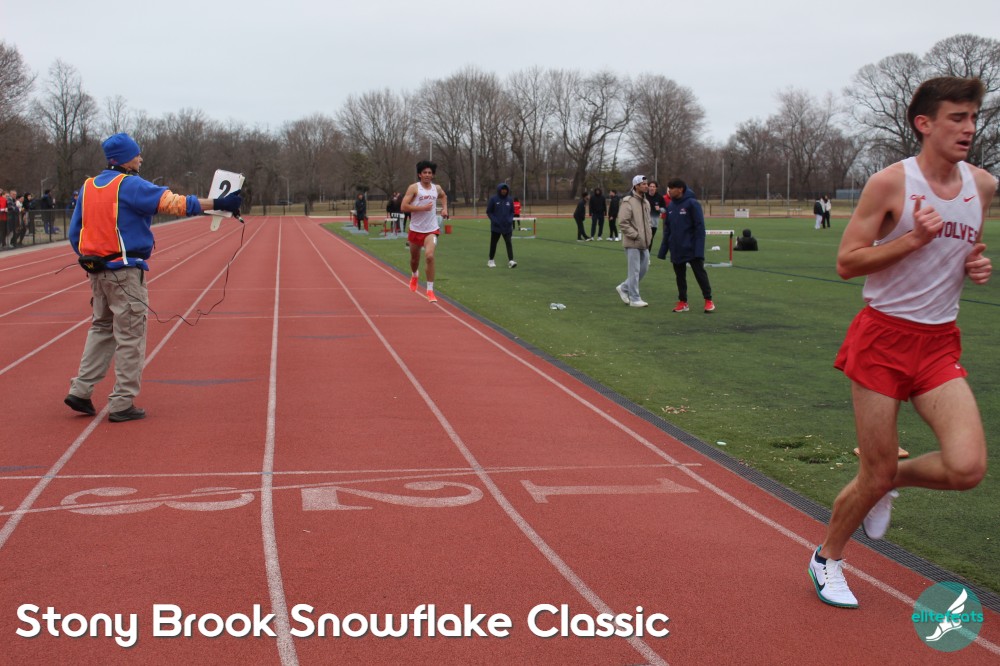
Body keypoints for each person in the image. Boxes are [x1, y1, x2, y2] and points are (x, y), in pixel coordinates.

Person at [808, 77, 995, 609]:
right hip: (883, 339)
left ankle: (893, 480)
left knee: (967, 468)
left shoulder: (982, 185)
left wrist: (975, 264)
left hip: (938, 344)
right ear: (924, 124)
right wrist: (914, 238)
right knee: (875, 470)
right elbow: (847, 263)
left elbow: (964, 250)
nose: (969, 128)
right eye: (957, 117)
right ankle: (827, 557)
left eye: (973, 117)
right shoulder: (891, 183)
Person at [64, 132, 242, 423]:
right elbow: (174, 204)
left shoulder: (89, 186)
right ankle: (122, 401)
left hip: (97, 272)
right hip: (124, 272)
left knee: (101, 330)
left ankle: (81, 389)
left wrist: (92, 258)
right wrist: (218, 203)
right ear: (126, 159)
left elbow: (75, 233)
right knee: (131, 336)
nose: (140, 158)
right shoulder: (130, 185)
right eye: (137, 154)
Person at [657, 179, 715, 313]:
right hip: (676, 248)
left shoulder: (692, 204)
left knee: (699, 274)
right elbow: (668, 230)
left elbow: (699, 228)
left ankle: (708, 300)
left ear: (680, 189)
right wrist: (663, 250)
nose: (669, 191)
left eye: (672, 188)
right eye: (668, 188)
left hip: (692, 247)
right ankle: (683, 302)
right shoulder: (671, 206)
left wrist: (699, 249)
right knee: (680, 276)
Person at [401, 159, 448, 303]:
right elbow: (404, 207)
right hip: (416, 230)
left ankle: (430, 290)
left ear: (432, 175)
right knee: (414, 260)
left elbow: (444, 196)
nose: (427, 175)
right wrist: (422, 208)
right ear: (419, 174)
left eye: (430, 173)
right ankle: (415, 275)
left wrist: (445, 209)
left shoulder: (436, 188)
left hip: (431, 230)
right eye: (424, 172)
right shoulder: (413, 188)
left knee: (429, 256)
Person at [614, 175, 652, 308]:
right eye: (643, 184)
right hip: (633, 242)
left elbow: (647, 222)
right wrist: (635, 235)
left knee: (644, 269)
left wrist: (647, 236)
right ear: (636, 186)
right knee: (634, 271)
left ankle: (624, 287)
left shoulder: (646, 202)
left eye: (646, 184)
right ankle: (635, 298)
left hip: (644, 243)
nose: (646, 186)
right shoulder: (628, 201)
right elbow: (623, 222)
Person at [485, 183, 517, 268]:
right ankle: (491, 260)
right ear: (499, 190)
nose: (504, 191)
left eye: (505, 189)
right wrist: (495, 221)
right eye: (502, 189)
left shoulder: (510, 200)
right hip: (496, 227)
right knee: (494, 243)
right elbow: (489, 212)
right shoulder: (493, 199)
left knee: (508, 242)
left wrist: (509, 220)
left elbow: (512, 212)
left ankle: (511, 260)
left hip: (507, 227)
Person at [646, 180, 666, 245]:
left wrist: (659, 209)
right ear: (648, 187)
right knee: (644, 239)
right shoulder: (644, 196)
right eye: (650, 186)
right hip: (644, 222)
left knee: (650, 239)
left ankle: (647, 251)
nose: (652, 188)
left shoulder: (660, 197)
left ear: (656, 188)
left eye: (653, 186)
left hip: (654, 223)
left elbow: (664, 209)